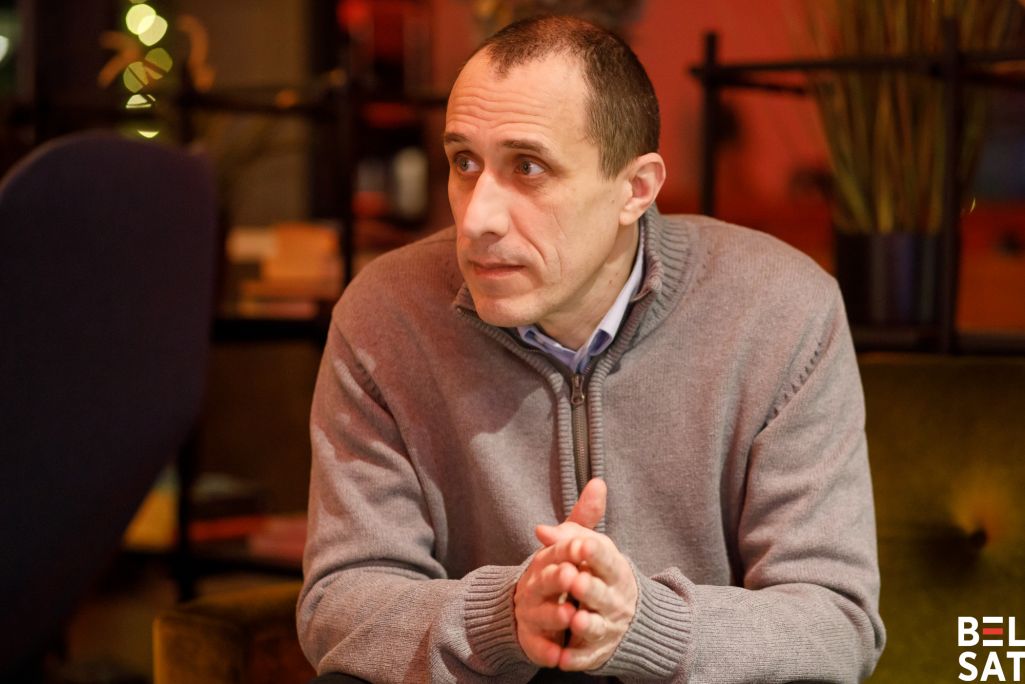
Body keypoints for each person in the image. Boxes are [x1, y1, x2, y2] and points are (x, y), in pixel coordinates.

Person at [298, 14, 885, 683]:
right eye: (464, 162)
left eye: (528, 168)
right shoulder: (385, 314)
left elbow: (834, 622)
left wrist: (642, 624)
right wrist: (505, 615)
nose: (477, 218)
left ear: (636, 190)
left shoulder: (780, 310)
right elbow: (340, 601)